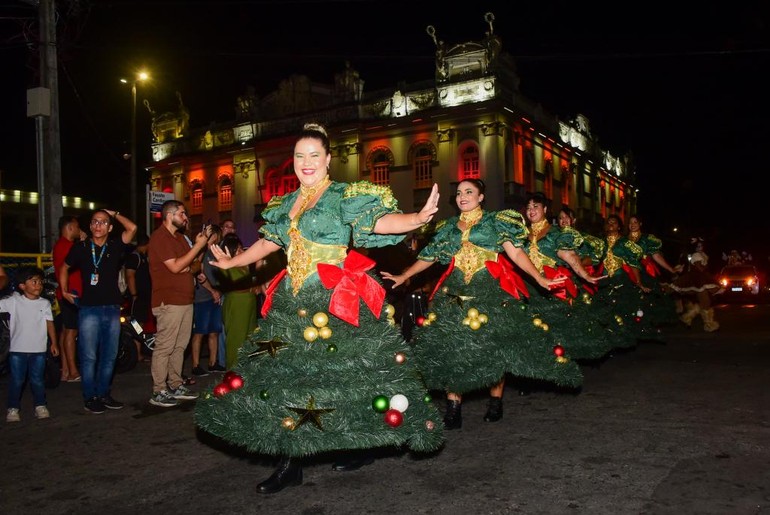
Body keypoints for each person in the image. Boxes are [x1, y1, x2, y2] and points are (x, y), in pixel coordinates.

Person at [195, 122, 444, 495]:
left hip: (333, 300)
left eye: (314, 155)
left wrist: (416, 219)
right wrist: (234, 262)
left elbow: (377, 222)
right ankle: (290, 463)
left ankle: (359, 446)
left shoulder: (343, 196)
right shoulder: (287, 203)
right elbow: (270, 242)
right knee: (288, 380)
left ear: (328, 159)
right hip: (293, 303)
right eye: (300, 156)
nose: (306, 162)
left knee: (350, 380)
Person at [381, 180, 578, 428]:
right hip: (454, 295)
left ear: (481, 197)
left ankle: (495, 402)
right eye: (459, 193)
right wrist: (404, 275)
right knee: (453, 349)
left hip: (489, 294)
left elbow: (517, 253)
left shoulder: (496, 222)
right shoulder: (449, 228)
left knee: (493, 348)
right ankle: (453, 408)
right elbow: (430, 256)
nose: (462, 196)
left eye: (469, 192)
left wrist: (540, 278)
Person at [60, 209, 135, 414]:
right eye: (94, 222)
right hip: (89, 309)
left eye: (102, 222)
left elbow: (132, 228)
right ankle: (90, 397)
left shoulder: (115, 245)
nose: (97, 225)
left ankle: (103, 393)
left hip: (112, 308)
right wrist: (64, 291)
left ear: (110, 228)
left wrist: (115, 213)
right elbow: (64, 267)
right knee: (89, 356)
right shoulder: (82, 247)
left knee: (109, 355)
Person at [147, 200, 211, 408]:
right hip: (169, 301)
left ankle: (175, 384)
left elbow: (194, 264)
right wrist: (198, 247)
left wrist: (187, 265)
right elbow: (176, 267)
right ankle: (159, 390)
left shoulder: (181, 238)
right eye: (182, 214)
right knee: (165, 346)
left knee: (180, 345)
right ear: (169, 215)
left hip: (185, 299)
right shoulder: (160, 237)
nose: (185, 218)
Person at [2, 266, 59, 422]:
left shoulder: (44, 303)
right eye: (34, 281)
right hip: (17, 350)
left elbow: (49, 324)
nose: (38, 285)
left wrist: (54, 343)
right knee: (17, 380)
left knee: (37, 379)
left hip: (38, 349)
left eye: (40, 282)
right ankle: (13, 408)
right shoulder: (14, 301)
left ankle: (40, 405)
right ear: (22, 285)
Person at [215, 233, 259, 369]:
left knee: (250, 337)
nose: (241, 251)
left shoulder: (243, 264)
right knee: (236, 339)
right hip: (237, 304)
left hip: (249, 303)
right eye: (237, 249)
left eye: (241, 248)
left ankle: (247, 371)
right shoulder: (226, 265)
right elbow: (237, 284)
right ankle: (233, 372)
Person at [52, 215, 83, 382]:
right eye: (77, 227)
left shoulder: (61, 245)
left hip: (67, 293)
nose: (79, 230)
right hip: (71, 294)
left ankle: (65, 370)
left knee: (66, 331)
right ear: (70, 227)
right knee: (71, 331)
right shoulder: (67, 246)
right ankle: (72, 371)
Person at [190, 224, 224, 376]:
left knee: (214, 331)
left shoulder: (215, 252)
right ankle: (195, 365)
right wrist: (212, 291)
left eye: (216, 239)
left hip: (215, 296)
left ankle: (213, 362)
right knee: (200, 332)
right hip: (202, 297)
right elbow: (199, 275)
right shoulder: (201, 253)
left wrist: (218, 291)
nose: (213, 241)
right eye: (211, 238)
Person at [669, 238, 720, 332]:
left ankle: (687, 318)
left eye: (701, 246)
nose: (700, 247)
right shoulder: (696, 255)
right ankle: (708, 325)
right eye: (698, 246)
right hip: (698, 281)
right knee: (705, 302)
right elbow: (700, 268)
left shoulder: (702, 254)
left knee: (705, 302)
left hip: (702, 280)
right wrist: (706, 268)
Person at [125, 233, 154, 362]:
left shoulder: (142, 257)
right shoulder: (134, 257)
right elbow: (130, 275)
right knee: (135, 323)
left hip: (143, 297)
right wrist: (134, 294)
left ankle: (138, 352)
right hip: (137, 297)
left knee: (140, 324)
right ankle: (136, 352)